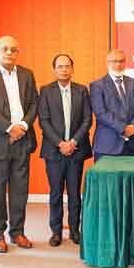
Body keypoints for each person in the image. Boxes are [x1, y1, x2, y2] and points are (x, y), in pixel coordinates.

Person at [0, 35, 39, 253]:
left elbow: (33, 103)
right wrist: (10, 128)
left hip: (23, 139)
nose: (9, 53)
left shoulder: (27, 74)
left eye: (14, 49)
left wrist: (23, 125)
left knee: (20, 190)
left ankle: (17, 232)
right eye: (5, 49)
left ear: (18, 52)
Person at [38, 54, 92, 246]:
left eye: (67, 66)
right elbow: (44, 120)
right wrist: (60, 143)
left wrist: (73, 142)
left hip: (76, 150)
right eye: (60, 66)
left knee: (75, 193)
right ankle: (56, 232)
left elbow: (87, 119)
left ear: (72, 69)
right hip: (54, 151)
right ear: (55, 70)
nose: (64, 69)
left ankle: (75, 230)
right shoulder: (46, 91)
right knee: (55, 193)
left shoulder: (81, 90)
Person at [90, 49, 134, 160]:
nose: (118, 64)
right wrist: (123, 128)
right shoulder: (97, 85)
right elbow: (100, 113)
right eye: (114, 61)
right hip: (107, 146)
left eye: (121, 61)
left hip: (132, 145)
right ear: (107, 63)